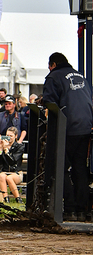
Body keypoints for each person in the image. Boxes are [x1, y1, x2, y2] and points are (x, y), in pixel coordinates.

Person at [43, 52, 93, 222]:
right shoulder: (81, 75)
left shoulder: (54, 76)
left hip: (67, 126)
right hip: (85, 127)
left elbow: (50, 103)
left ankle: (69, 209)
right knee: (79, 168)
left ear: (54, 64)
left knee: (61, 168)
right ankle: (82, 210)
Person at [0, 127, 25, 204]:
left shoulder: (19, 147)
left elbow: (13, 161)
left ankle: (18, 199)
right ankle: (6, 199)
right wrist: (0, 150)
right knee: (2, 176)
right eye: (7, 135)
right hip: (5, 171)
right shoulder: (3, 145)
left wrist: (6, 150)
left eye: (11, 136)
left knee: (9, 178)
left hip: (16, 172)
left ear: (16, 136)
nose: (9, 138)